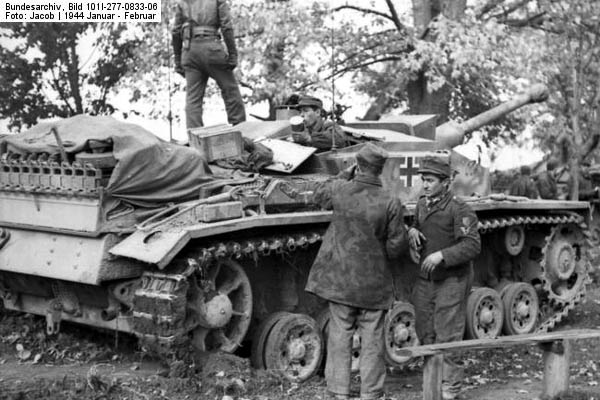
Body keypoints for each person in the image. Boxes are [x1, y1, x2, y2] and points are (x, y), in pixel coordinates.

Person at [305, 143, 407, 400]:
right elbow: (396, 248)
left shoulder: (341, 190)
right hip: (373, 285)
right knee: (372, 340)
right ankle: (370, 393)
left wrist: (343, 174)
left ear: (357, 166)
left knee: (340, 336)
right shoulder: (391, 201)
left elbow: (318, 194)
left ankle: (339, 392)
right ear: (380, 170)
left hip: (340, 282)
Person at [408, 155, 481, 400]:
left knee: (448, 336)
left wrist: (442, 254)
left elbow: (472, 246)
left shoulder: (460, 209)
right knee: (425, 332)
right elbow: (419, 224)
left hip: (451, 280)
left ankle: (451, 389)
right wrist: (412, 231)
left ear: (445, 183)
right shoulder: (422, 205)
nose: (425, 185)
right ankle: (432, 385)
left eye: (430, 180)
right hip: (426, 280)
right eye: (423, 180)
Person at [172, 0, 246, 129]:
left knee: (193, 98)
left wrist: (178, 61)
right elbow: (226, 26)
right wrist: (233, 54)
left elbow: (175, 32)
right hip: (211, 48)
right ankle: (241, 129)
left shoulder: (183, 2)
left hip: (190, 51)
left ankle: (195, 136)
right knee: (230, 89)